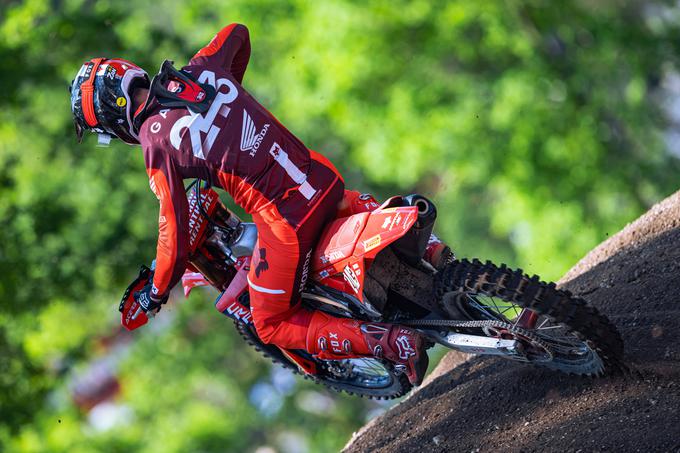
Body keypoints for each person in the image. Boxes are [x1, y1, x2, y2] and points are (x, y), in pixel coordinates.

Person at [69, 23, 448, 385]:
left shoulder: (156, 145)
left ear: (113, 119)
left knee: (271, 323)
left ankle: (388, 341)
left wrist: (157, 290)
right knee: (354, 206)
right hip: (322, 179)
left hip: (287, 222)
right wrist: (232, 86)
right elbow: (237, 33)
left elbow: (174, 229)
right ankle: (428, 249)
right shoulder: (203, 69)